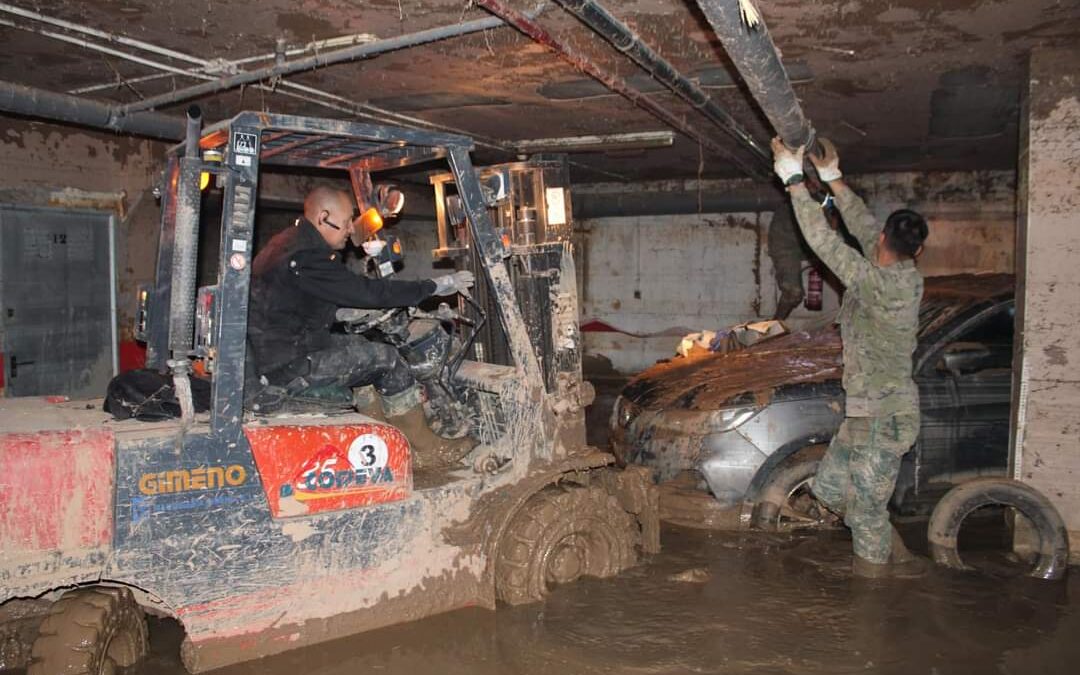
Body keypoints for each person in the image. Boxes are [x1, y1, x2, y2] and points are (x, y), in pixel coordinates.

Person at [771, 137, 930, 578]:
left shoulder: (879, 285)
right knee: (828, 489)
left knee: (865, 514)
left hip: (887, 417)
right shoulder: (897, 271)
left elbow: (825, 242)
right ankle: (886, 543)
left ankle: (872, 598)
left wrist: (794, 181)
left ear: (884, 241)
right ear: (916, 251)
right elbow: (860, 228)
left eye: (876, 236)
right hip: (864, 414)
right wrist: (835, 179)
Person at [247, 186, 475, 467]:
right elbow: (366, 291)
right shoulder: (305, 256)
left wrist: (341, 312)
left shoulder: (286, 243)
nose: (348, 231)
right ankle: (427, 449)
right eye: (345, 224)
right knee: (388, 360)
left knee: (362, 352)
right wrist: (434, 286)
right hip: (291, 362)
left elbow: (296, 300)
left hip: (280, 352)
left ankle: (386, 446)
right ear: (323, 217)